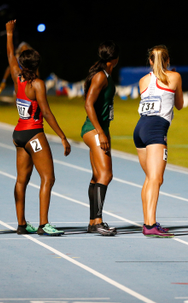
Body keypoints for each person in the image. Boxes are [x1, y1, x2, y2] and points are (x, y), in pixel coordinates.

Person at [6, 20, 71, 236]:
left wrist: (9, 34)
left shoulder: (17, 78)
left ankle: (22, 224)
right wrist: (62, 137)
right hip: (33, 133)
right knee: (48, 178)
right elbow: (47, 113)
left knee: (21, 180)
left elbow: (10, 57)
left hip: (18, 135)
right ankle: (44, 224)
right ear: (37, 64)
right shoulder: (38, 84)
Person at [134, 45, 183, 237]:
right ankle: (150, 224)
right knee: (156, 179)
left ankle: (148, 222)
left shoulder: (142, 80)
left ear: (150, 61)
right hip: (156, 129)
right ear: (168, 60)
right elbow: (179, 105)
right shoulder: (175, 77)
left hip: (140, 128)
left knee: (149, 179)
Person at [81, 41, 120, 236]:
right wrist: (100, 132)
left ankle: (92, 222)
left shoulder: (105, 75)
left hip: (99, 129)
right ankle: (98, 221)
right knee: (106, 175)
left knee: (97, 176)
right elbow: (88, 104)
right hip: (94, 130)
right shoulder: (100, 76)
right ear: (115, 59)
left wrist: (104, 130)